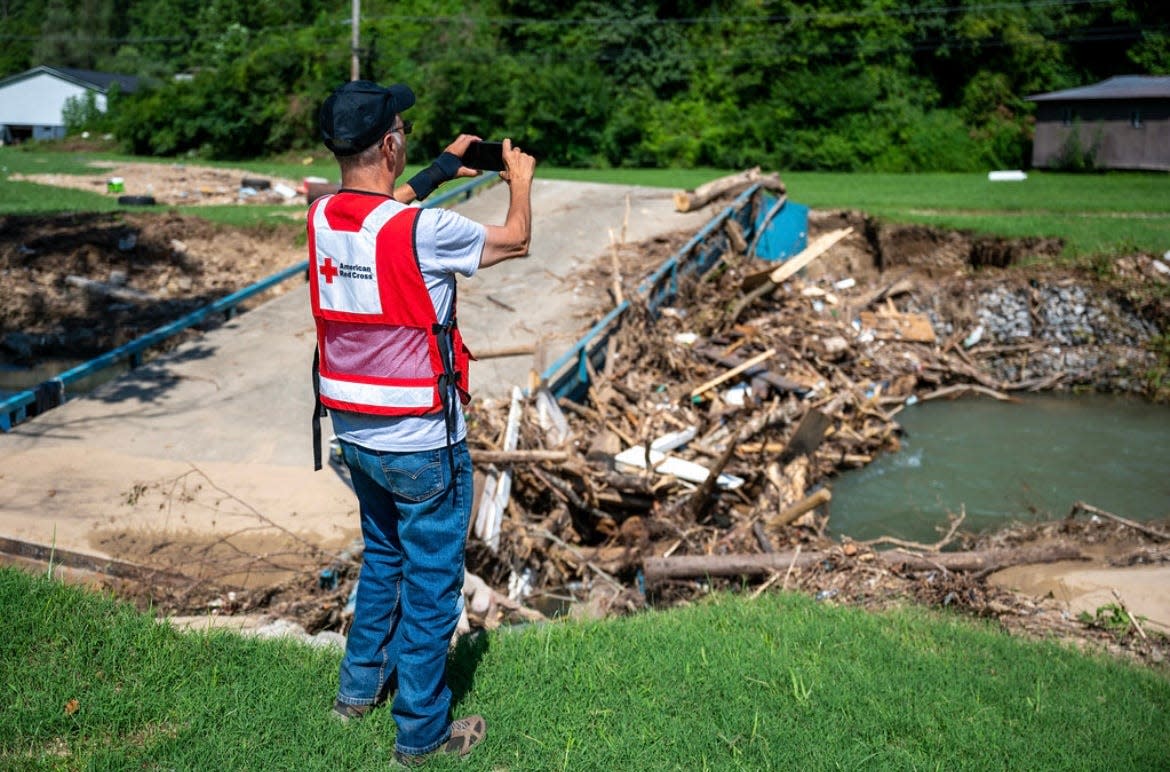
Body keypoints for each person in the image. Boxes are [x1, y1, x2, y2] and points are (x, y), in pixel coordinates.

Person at [308, 78, 535, 766]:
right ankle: (422, 734)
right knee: (433, 583)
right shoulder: (427, 232)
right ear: (388, 142)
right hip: (421, 440)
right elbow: (516, 242)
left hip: (353, 432)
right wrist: (518, 180)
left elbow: (382, 211)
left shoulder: (321, 217)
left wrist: (437, 169)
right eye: (400, 125)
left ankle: (356, 695)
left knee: (382, 560)